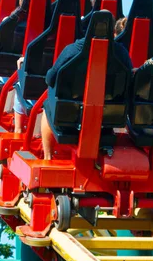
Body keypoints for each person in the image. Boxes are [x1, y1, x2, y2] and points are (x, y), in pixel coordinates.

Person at [39, 13, 132, 160]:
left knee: (47, 105)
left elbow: (50, 78)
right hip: (106, 120)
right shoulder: (121, 53)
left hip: (70, 117)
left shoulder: (73, 50)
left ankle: (48, 157)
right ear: (111, 30)